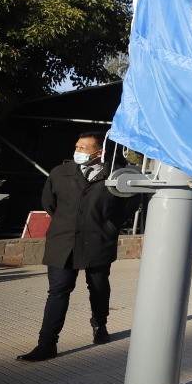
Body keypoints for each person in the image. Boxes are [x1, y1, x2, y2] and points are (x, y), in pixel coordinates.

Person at [18, 132, 129, 362]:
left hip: (97, 243)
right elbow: (49, 204)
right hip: (63, 243)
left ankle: (100, 326)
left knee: (98, 287)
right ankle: (46, 344)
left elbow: (126, 208)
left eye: (84, 148)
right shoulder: (60, 173)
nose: (78, 151)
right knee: (58, 292)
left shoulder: (115, 175)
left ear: (99, 152)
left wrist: (107, 227)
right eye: (77, 146)